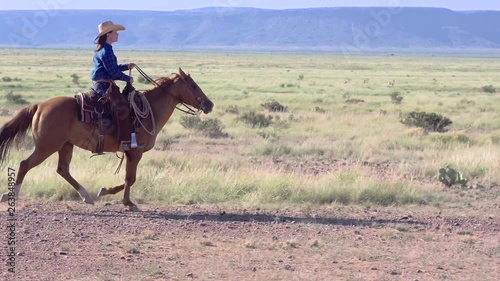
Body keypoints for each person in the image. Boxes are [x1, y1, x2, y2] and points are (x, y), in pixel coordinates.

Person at [90, 21, 141, 150]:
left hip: (102, 85)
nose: (117, 34)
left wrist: (126, 67)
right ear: (108, 34)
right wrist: (128, 78)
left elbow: (112, 68)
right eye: (115, 32)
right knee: (123, 110)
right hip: (104, 87)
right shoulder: (106, 51)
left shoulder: (106, 49)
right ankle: (125, 141)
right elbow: (112, 72)